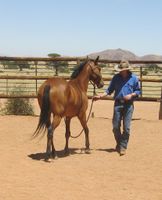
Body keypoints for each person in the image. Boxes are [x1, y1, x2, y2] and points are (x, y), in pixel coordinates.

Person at [93, 60, 141, 156]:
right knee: (115, 127)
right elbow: (109, 90)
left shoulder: (134, 78)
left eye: (122, 70)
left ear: (127, 70)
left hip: (129, 105)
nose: (121, 71)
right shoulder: (116, 78)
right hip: (118, 104)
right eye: (120, 69)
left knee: (126, 128)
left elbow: (138, 91)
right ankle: (119, 144)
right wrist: (100, 96)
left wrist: (131, 95)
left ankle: (123, 147)